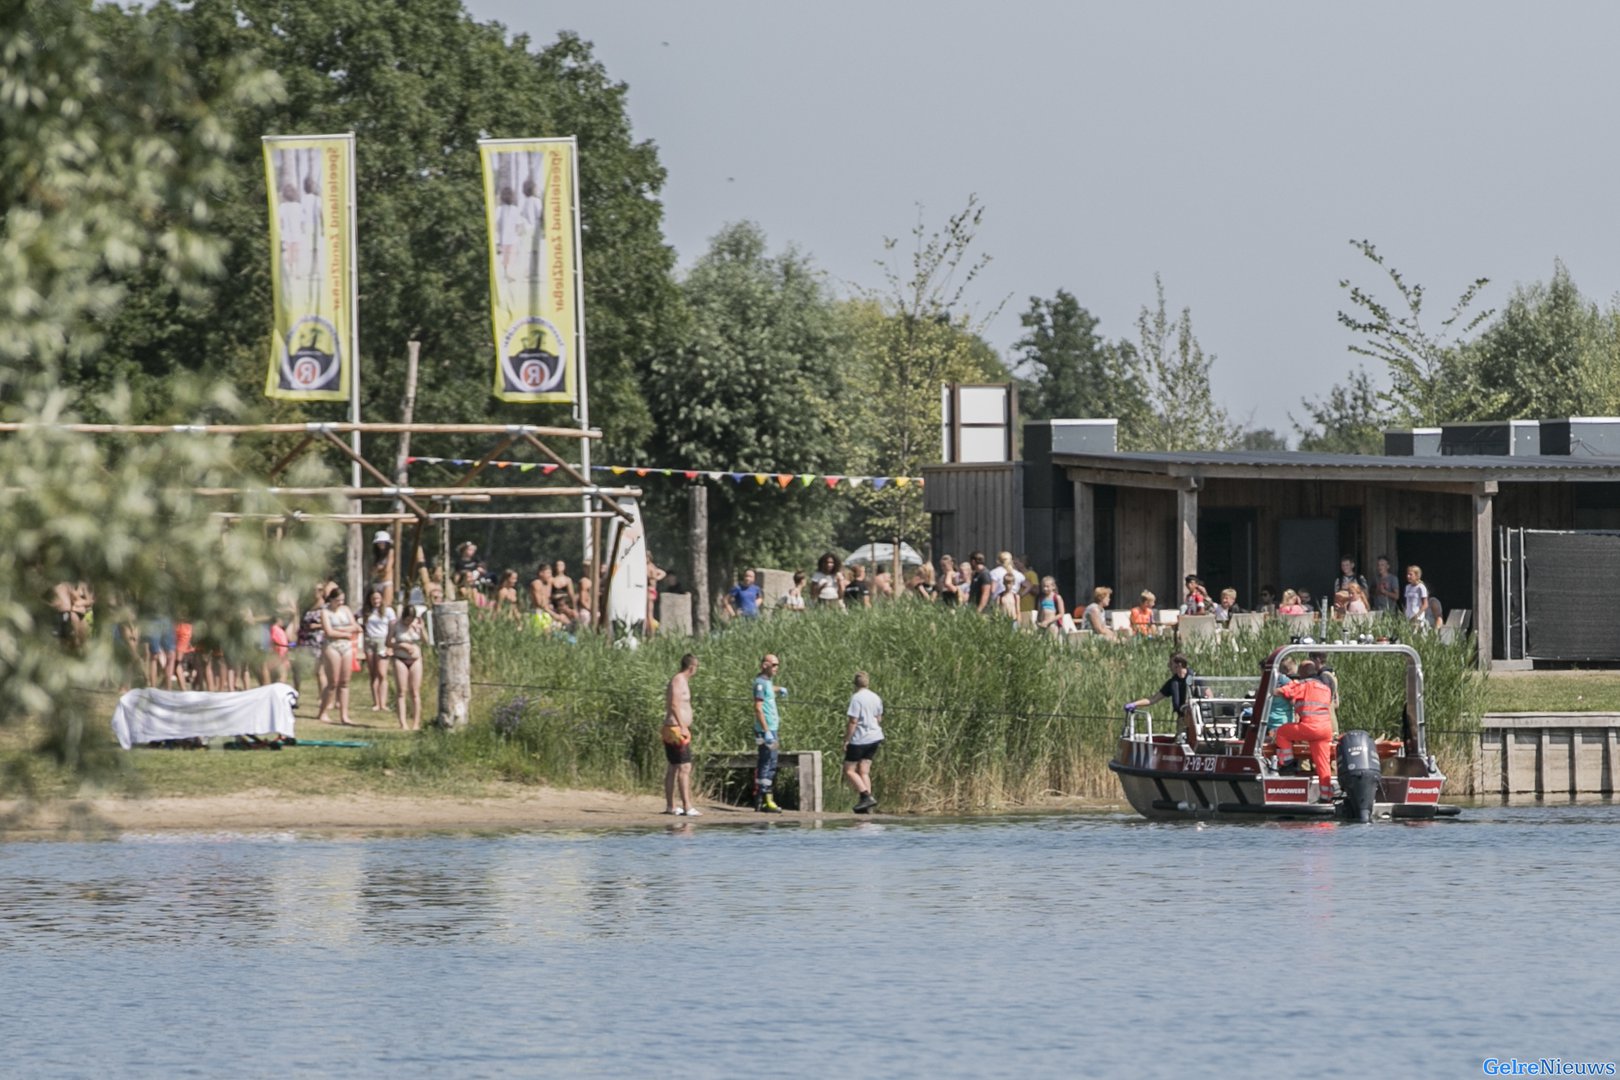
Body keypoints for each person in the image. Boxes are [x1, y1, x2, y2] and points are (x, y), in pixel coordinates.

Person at [1272, 660, 1336, 800]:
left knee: (1282, 732)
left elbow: (1286, 691)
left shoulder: (1304, 685)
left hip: (1310, 726)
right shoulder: (1325, 687)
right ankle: (1326, 796)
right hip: (1325, 730)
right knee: (1323, 765)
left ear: (1302, 673)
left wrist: (1272, 691)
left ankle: (1287, 762)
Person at [1126, 653, 1201, 746]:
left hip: (1198, 720)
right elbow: (1153, 699)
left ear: (1179, 664)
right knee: (1180, 742)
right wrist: (1134, 704)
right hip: (1183, 720)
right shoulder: (1172, 683)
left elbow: (1209, 695)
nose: (1169, 666)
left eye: (1171, 663)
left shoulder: (1196, 678)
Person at [662, 653, 700, 816]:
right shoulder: (678, 680)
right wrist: (683, 726)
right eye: (696, 667)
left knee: (674, 767)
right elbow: (674, 704)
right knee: (685, 767)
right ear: (691, 667)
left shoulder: (682, 681)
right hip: (676, 729)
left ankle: (671, 806)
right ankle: (687, 806)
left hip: (675, 728)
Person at [315, 586, 359, 726]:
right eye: (338, 600)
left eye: (342, 600)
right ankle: (323, 712)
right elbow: (329, 632)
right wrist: (346, 633)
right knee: (333, 682)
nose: (340, 602)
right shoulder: (325, 612)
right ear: (332, 600)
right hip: (332, 646)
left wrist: (340, 630)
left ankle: (344, 715)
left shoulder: (346, 610)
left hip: (346, 647)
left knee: (344, 682)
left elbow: (356, 627)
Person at [843, 671, 884, 813]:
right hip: (875, 738)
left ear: (855, 684)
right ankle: (867, 805)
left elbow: (853, 721)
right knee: (864, 771)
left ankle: (865, 796)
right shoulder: (876, 697)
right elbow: (879, 718)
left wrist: (847, 740)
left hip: (860, 739)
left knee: (849, 770)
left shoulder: (856, 698)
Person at [752, 654, 787, 813]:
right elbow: (758, 707)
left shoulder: (766, 683)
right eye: (774, 665)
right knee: (768, 763)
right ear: (765, 665)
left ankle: (762, 799)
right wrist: (766, 731)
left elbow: (768, 689)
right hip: (766, 730)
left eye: (777, 665)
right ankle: (765, 800)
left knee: (770, 762)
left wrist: (779, 689)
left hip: (771, 729)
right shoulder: (759, 683)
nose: (776, 668)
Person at [388, 605, 425, 731]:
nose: (408, 622)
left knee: (415, 691)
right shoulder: (395, 625)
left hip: (416, 659)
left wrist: (422, 628)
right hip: (400, 658)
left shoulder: (416, 625)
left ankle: (416, 723)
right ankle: (402, 722)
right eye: (406, 619)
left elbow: (426, 641)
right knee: (401, 691)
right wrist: (400, 645)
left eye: (411, 619)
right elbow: (388, 642)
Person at [362, 588, 396, 712]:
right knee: (373, 673)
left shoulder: (388, 611)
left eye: (377, 598)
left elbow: (393, 627)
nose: (375, 601)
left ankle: (383, 703)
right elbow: (355, 619)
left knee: (382, 673)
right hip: (369, 640)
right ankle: (376, 702)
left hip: (383, 640)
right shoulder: (365, 611)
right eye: (373, 599)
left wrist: (390, 644)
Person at [370, 530, 395, 610]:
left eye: (383, 542)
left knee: (386, 606)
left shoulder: (390, 552)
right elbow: (372, 571)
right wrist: (378, 569)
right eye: (379, 542)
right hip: (377, 582)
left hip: (386, 582)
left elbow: (387, 569)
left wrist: (379, 569)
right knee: (375, 606)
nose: (381, 544)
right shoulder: (376, 555)